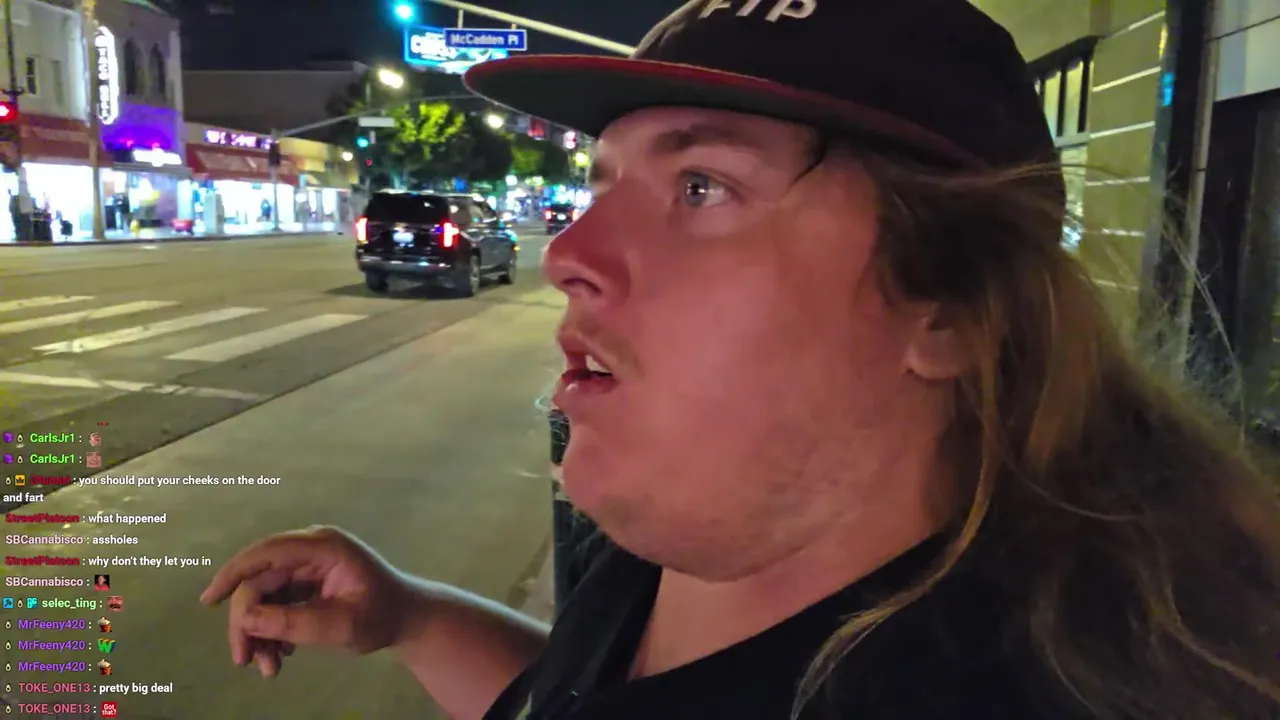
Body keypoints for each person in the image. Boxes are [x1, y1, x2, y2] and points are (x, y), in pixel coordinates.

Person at [201, 2, 1280, 719]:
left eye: (701, 187)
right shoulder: (708, 545)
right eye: (603, 185)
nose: (569, 255)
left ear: (948, 307)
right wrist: (414, 617)